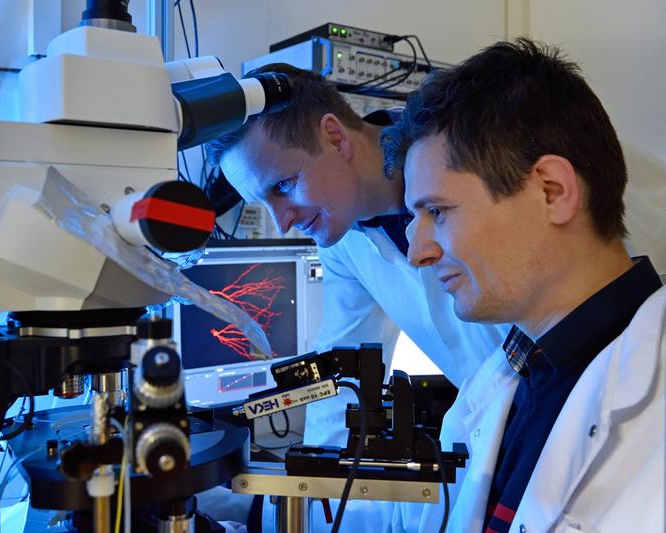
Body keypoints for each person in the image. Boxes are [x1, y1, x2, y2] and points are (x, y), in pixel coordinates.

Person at [387, 38, 664, 532]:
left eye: (438, 212)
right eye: (415, 218)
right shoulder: (511, 381)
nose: (417, 253)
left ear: (552, 191)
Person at [206, 63, 510, 448]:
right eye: (262, 204)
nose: (282, 223)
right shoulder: (343, 237)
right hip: (496, 434)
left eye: (283, 186)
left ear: (335, 137)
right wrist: (315, 479)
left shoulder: (469, 159)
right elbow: (340, 378)